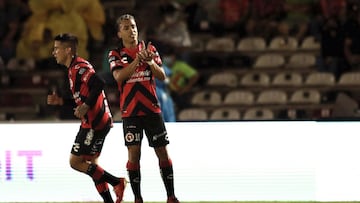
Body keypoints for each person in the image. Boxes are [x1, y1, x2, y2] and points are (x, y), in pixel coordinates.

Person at [108, 14, 180, 203]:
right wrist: (137, 61)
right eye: (126, 28)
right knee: (134, 155)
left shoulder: (150, 50)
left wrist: (149, 62)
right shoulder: (115, 54)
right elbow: (119, 77)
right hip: (130, 112)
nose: (131, 30)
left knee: (162, 152)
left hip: (152, 110)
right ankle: (138, 198)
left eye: (133, 26)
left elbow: (162, 76)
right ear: (119, 33)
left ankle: (171, 196)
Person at [47, 33, 126, 203]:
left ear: (68, 50)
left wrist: (85, 106)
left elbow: (98, 83)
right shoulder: (72, 70)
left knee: (75, 162)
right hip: (96, 121)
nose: (54, 52)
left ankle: (117, 182)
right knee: (91, 165)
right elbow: (82, 97)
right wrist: (62, 101)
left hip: (94, 123)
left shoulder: (80, 67)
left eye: (56, 49)